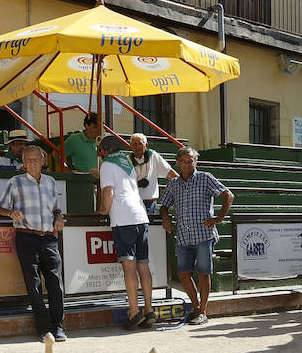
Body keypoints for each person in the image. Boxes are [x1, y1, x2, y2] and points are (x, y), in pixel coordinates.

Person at [0, 145, 67, 341]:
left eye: (36, 159)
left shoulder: (51, 182)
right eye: (28, 160)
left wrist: (59, 217)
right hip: (26, 237)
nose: (33, 163)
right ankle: (44, 329)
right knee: (33, 284)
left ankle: (58, 326)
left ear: (43, 160)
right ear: (24, 162)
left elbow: (56, 210)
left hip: (49, 238)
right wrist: (10, 212)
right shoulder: (15, 182)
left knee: (55, 284)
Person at [160, 147, 233, 325]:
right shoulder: (173, 183)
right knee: (183, 274)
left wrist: (219, 217)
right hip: (184, 237)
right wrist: (165, 219)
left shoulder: (205, 178)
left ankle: (203, 311)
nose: (187, 164)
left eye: (190, 160)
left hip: (203, 235)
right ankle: (196, 307)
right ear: (177, 163)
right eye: (183, 161)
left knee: (203, 274)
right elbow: (164, 205)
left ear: (195, 162)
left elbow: (228, 195)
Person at [98, 135, 155, 329]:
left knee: (129, 267)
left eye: (100, 150)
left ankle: (134, 311)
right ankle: (149, 310)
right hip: (141, 216)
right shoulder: (127, 162)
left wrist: (104, 210)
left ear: (105, 150)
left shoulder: (106, 164)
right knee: (143, 265)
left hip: (123, 219)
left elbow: (108, 192)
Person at [129, 133, 174, 217]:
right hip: (133, 204)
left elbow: (169, 172)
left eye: (140, 144)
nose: (137, 147)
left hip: (149, 204)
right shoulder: (127, 160)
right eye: (134, 144)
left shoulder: (153, 155)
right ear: (130, 146)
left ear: (146, 145)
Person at [63, 111, 103, 179]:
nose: (98, 130)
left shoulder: (103, 140)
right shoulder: (74, 139)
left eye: (100, 127)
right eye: (95, 127)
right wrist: (67, 170)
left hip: (101, 181)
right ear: (87, 125)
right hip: (82, 181)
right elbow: (56, 154)